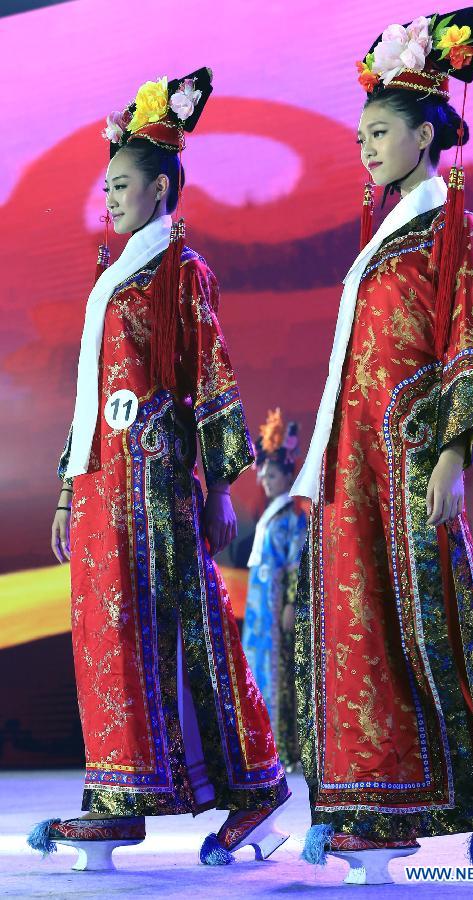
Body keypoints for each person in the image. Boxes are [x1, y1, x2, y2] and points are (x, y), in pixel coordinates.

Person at [291, 9, 473, 886]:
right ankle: (387, 806)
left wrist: (452, 453)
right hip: (358, 462)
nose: (366, 148)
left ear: (425, 134)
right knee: (364, 627)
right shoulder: (380, 238)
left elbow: (465, 348)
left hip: (413, 457)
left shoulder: (455, 229)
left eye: (380, 132)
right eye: (362, 134)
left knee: (442, 623)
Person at [27, 69, 289, 872]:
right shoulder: (113, 277)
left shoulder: (182, 271)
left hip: (161, 486)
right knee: (108, 639)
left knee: (192, 638)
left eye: (122, 184)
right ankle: (121, 796)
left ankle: (256, 790)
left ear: (162, 187)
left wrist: (218, 486)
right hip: (106, 489)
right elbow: (87, 396)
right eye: (105, 185)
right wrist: (73, 489)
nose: (109, 197)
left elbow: (211, 378)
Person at [242, 409, 307, 770]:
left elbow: (297, 563)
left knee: (280, 674)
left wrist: (291, 603)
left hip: (276, 606)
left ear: (287, 476)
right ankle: (265, 749)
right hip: (258, 609)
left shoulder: (292, 517)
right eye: (263, 474)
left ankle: (285, 748)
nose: (266, 480)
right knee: (259, 671)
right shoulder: (270, 516)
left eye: (272, 474)